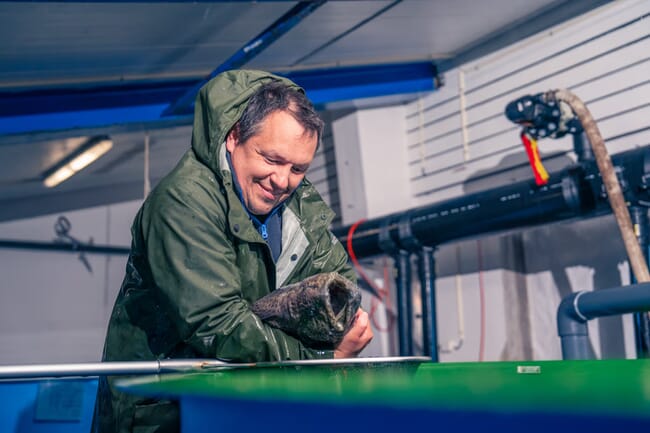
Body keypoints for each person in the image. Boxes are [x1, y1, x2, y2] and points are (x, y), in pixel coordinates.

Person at [92, 69, 373, 433]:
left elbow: (339, 296)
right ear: (233, 137)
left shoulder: (297, 207)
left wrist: (335, 333)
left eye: (298, 168)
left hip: (247, 409)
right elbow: (219, 324)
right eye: (271, 160)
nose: (283, 181)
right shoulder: (184, 202)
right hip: (165, 413)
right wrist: (322, 360)